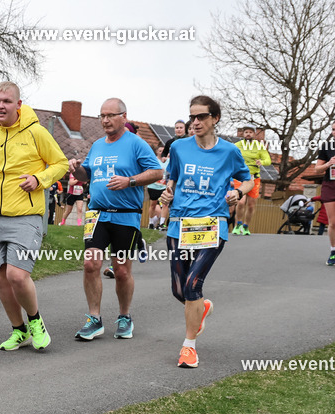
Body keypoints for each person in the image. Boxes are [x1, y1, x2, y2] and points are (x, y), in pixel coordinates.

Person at [0, 82, 67, 351]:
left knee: (17, 275)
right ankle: (18, 330)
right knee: (1, 278)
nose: (0, 105)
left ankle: (36, 321)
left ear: (18, 105)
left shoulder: (35, 132)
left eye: (6, 101)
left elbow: (60, 163)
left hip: (26, 216)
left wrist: (39, 178)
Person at [159, 95, 252, 368]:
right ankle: (202, 307)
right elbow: (172, 178)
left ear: (215, 119)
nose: (195, 122)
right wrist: (168, 192)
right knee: (179, 290)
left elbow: (247, 180)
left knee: (192, 285)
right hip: (180, 224)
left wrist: (237, 192)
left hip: (213, 224)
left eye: (201, 117)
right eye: (192, 117)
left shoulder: (229, 151)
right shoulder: (178, 147)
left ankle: (189, 347)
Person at [68, 98, 163, 341]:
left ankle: (124, 316)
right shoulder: (98, 145)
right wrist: (76, 169)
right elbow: (86, 174)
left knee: (121, 270)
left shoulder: (136, 144)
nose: (105, 120)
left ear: (124, 116)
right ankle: (94, 318)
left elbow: (157, 172)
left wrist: (129, 180)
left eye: (111, 115)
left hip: (125, 216)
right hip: (97, 213)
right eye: (102, 115)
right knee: (90, 264)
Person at [232, 126, 272, 235]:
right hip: (240, 177)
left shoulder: (259, 146)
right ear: (243, 134)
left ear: (254, 134)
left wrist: (261, 162)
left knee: (251, 204)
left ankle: (245, 226)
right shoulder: (237, 146)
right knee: (241, 202)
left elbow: (268, 160)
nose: (248, 134)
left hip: (254, 177)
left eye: (250, 132)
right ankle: (237, 224)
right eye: (246, 132)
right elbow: (228, 154)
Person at [316, 122, 335, 265]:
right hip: (330, 185)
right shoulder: (327, 147)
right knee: (333, 222)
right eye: (333, 129)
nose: (334, 132)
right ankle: (333, 251)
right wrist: (328, 164)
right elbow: (317, 169)